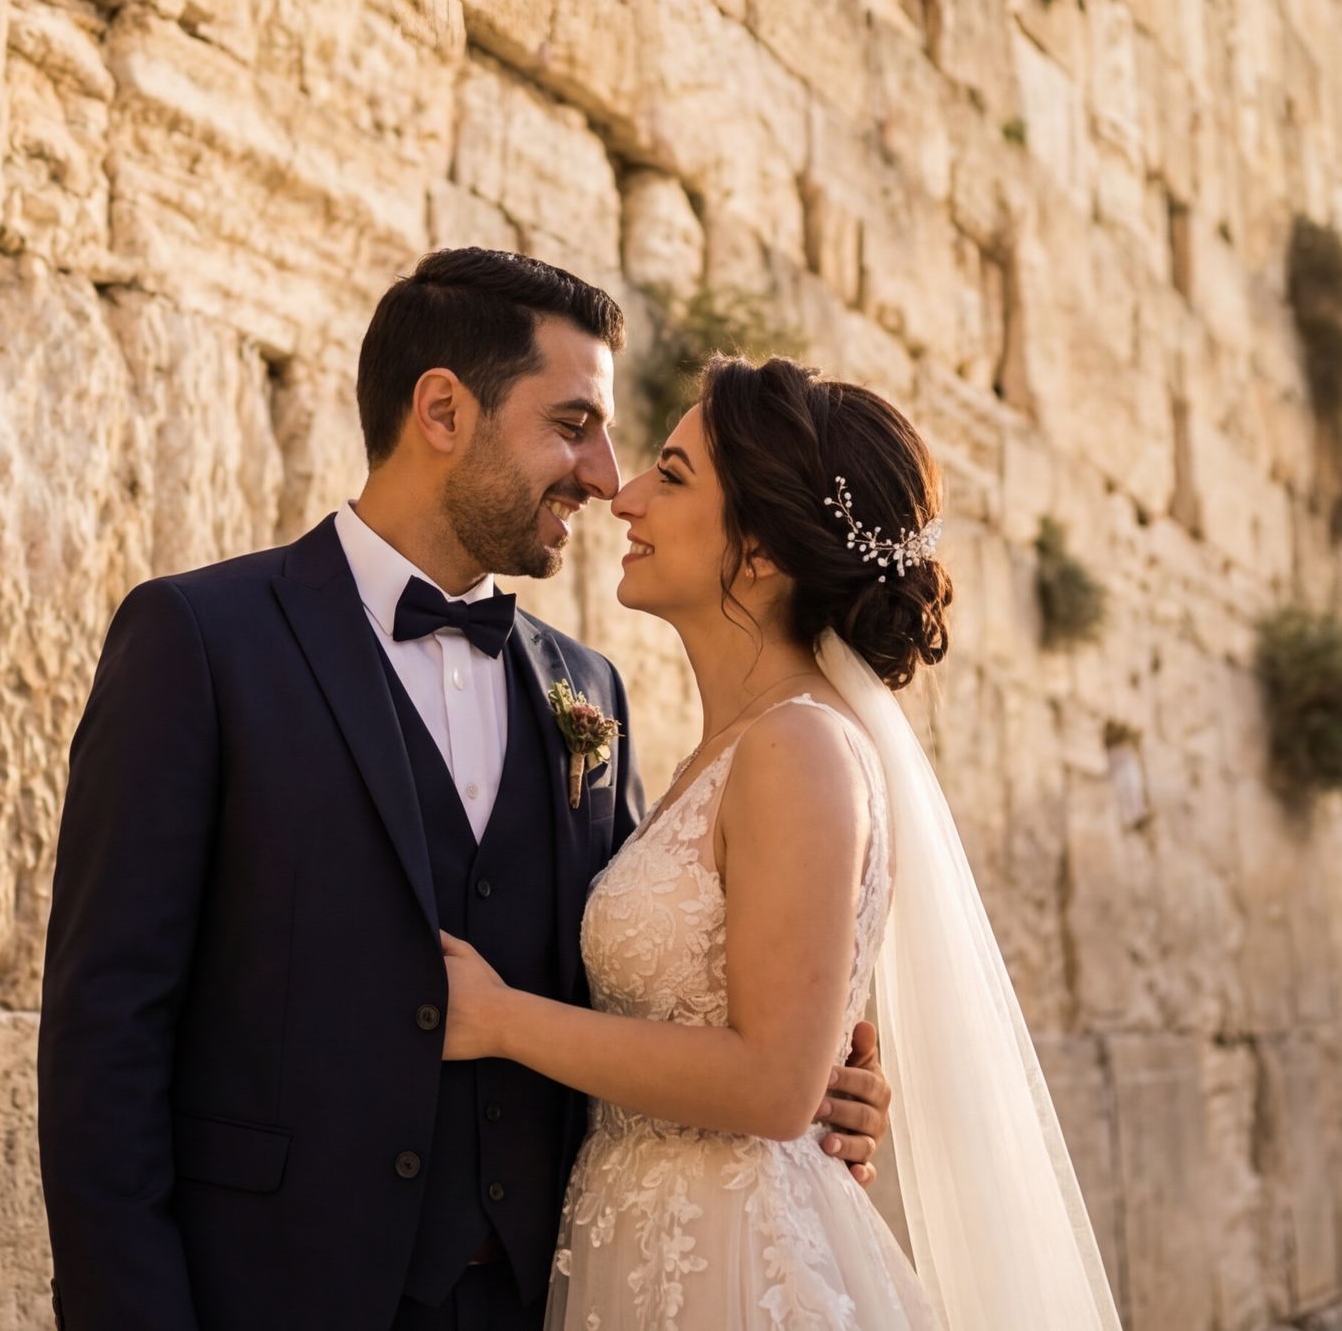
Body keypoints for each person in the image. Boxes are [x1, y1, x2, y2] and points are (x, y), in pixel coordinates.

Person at [38, 251, 893, 1331]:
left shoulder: (590, 691)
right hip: (271, 1292)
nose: (603, 474)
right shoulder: (201, 642)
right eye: (574, 423)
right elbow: (105, 1036)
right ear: (442, 409)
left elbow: (637, 981)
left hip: (548, 1296)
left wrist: (813, 1085)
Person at [440, 356, 1121, 1330]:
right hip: (650, 1250)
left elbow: (768, 1084)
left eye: (672, 476)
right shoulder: (723, 753)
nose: (625, 495)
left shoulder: (796, 748)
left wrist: (499, 1021)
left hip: (732, 1268)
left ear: (758, 550)